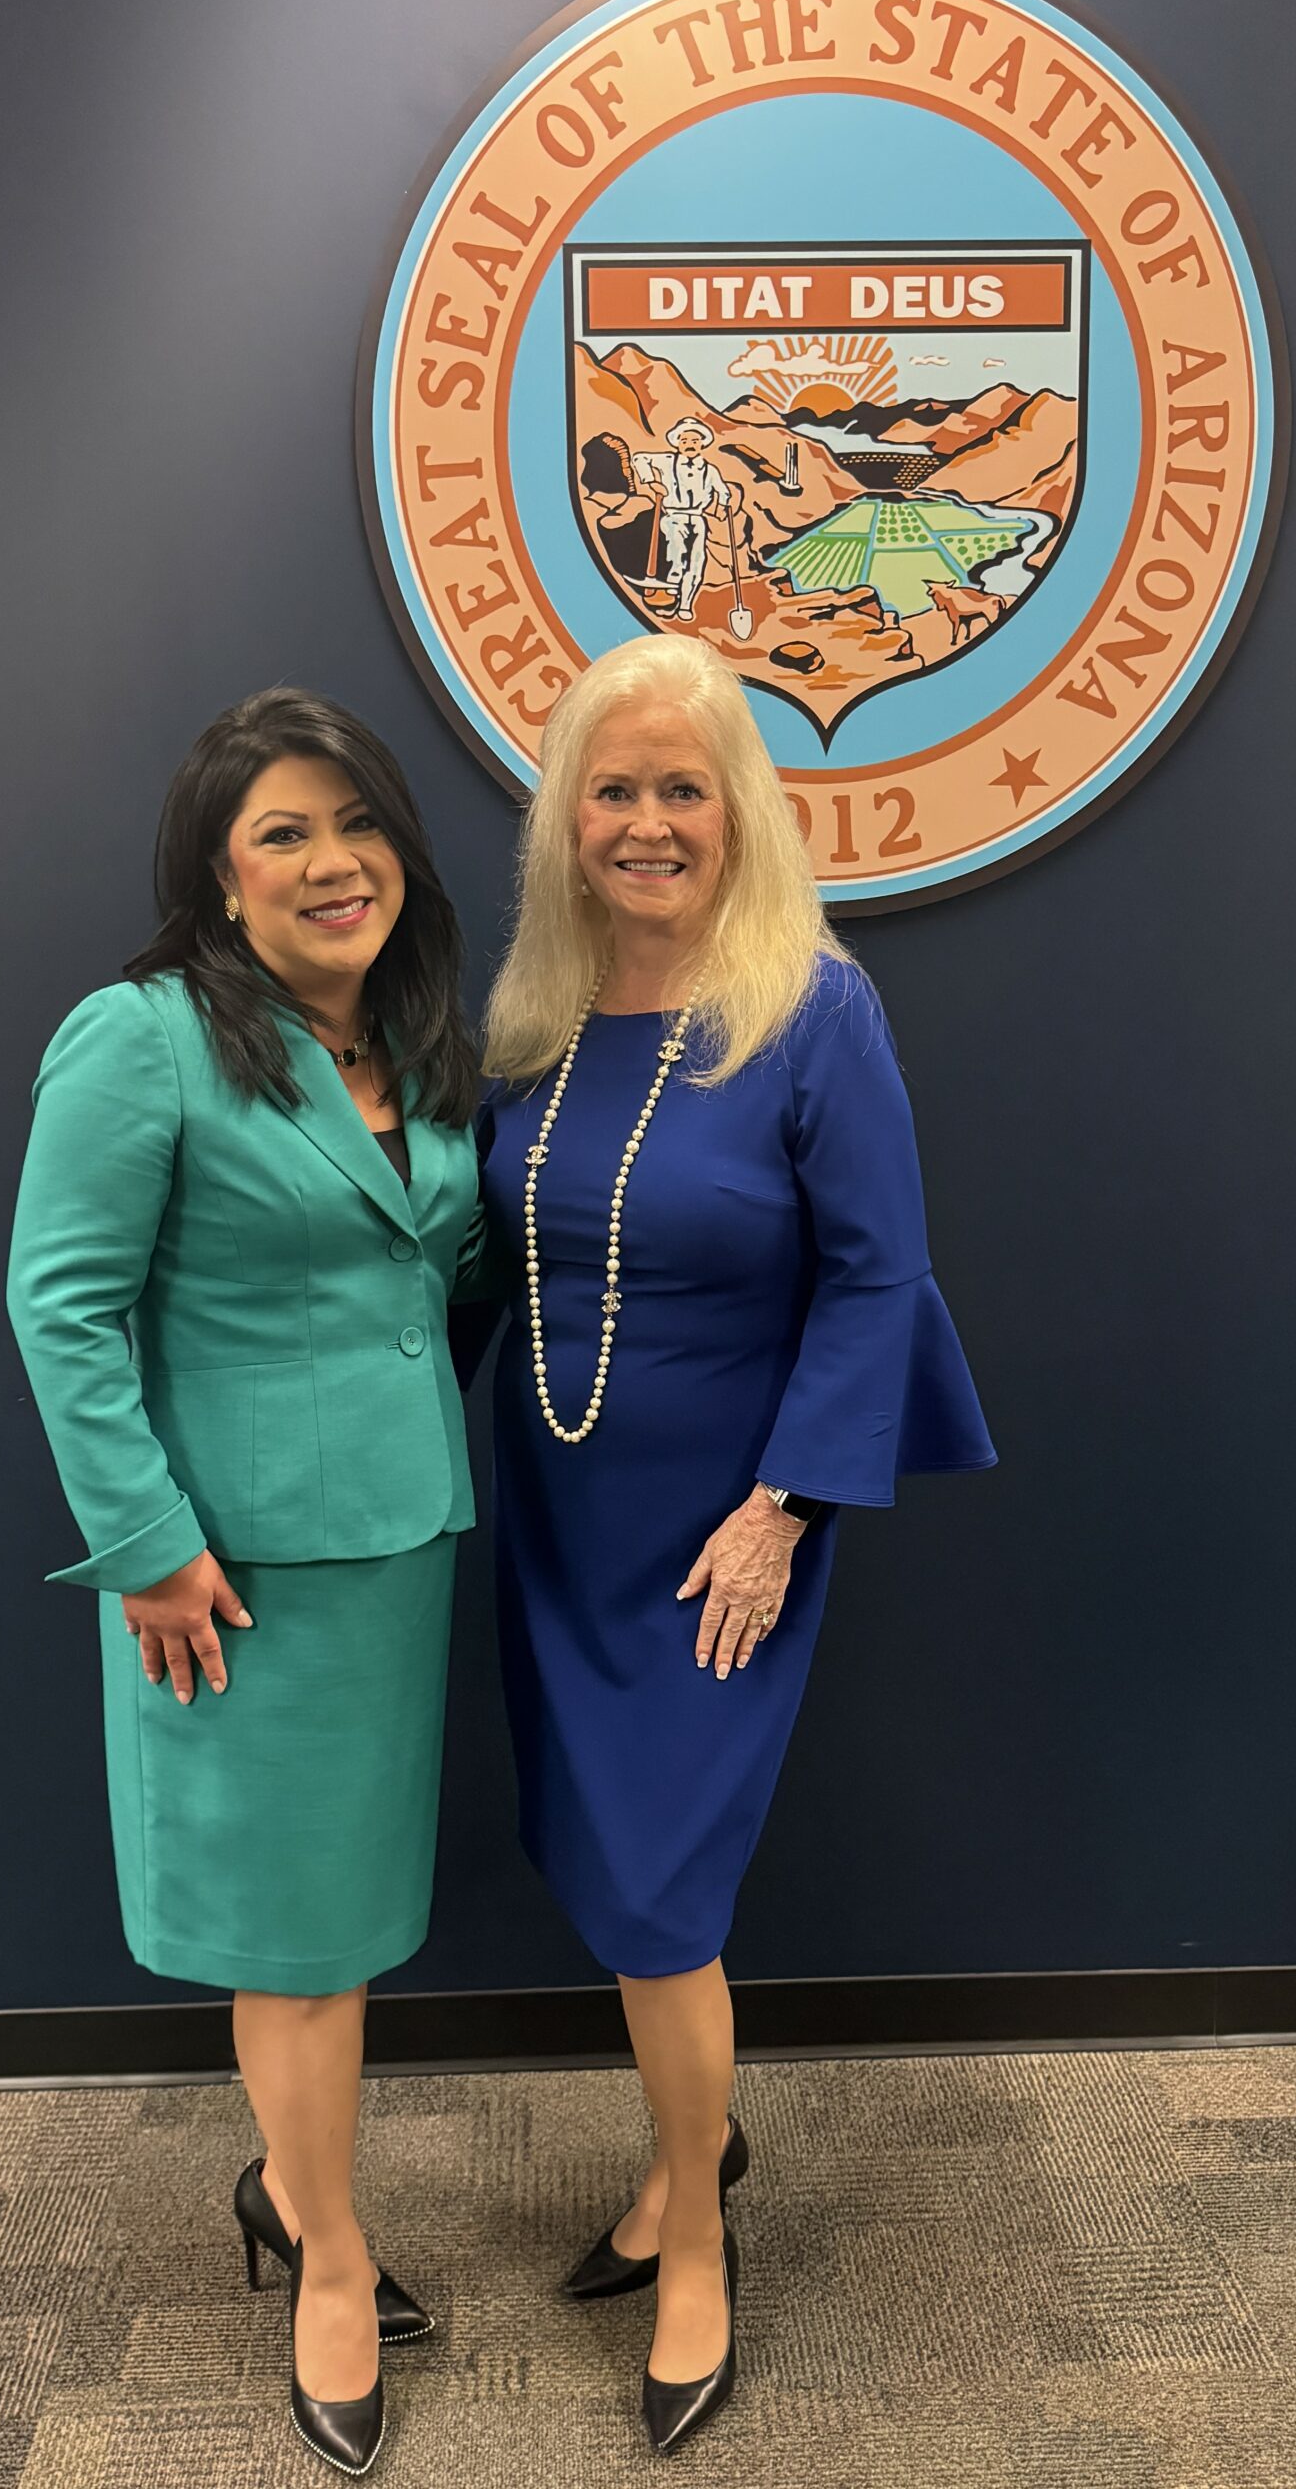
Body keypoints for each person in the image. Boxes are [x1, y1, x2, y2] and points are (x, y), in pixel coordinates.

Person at [475, 633, 995, 2452]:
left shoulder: (807, 1004)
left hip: (720, 1529)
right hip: (555, 1506)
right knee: (600, 1873)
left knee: (661, 1894)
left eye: (678, 789)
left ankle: (695, 2233)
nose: (643, 822)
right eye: (610, 790)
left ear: (736, 809)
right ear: (568, 816)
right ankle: (689, 2144)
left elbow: (876, 1278)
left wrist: (784, 1512)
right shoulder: (537, 1007)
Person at [6, 687, 481, 2480]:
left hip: (395, 1547)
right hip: (230, 1574)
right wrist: (144, 1546)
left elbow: (429, 1275)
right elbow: (58, 1306)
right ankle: (331, 2255)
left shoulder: (416, 1043)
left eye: (354, 826)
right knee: (293, 1946)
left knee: (342, 1926)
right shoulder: (138, 1042)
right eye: (281, 833)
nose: (329, 862)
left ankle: (289, 2190)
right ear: (216, 878)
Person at [633, 417, 735, 622]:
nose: (690, 445)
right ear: (678, 442)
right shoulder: (667, 461)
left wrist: (723, 504)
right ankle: (670, 592)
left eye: (695, 441)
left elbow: (723, 490)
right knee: (677, 559)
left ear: (702, 444)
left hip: (697, 518)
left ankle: (686, 604)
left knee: (696, 564)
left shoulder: (708, 469)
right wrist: (652, 482)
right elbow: (639, 459)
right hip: (673, 516)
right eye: (685, 440)